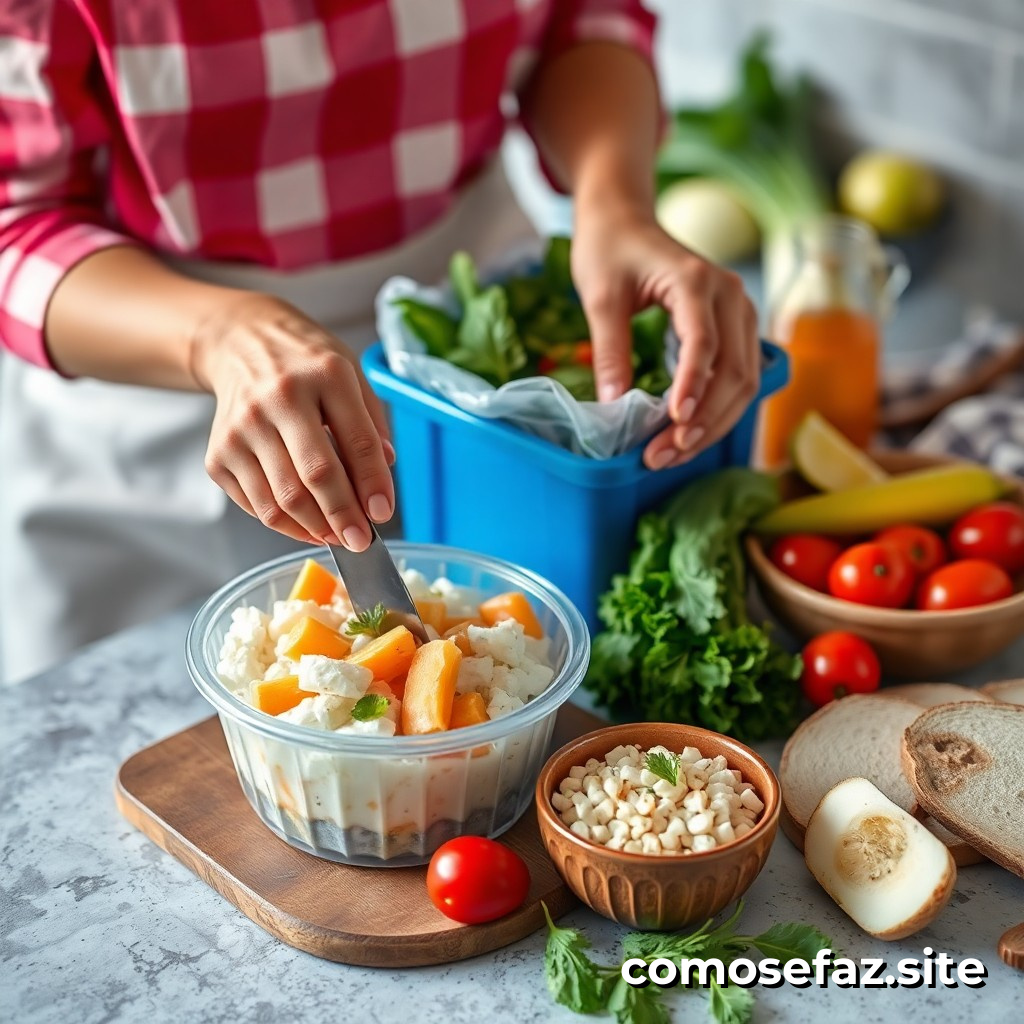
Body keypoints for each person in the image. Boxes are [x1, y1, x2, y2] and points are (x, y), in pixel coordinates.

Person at [0, 1, 760, 684]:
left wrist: (614, 201)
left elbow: (581, 20)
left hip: (462, 378)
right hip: (145, 391)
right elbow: (18, 225)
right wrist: (218, 334)